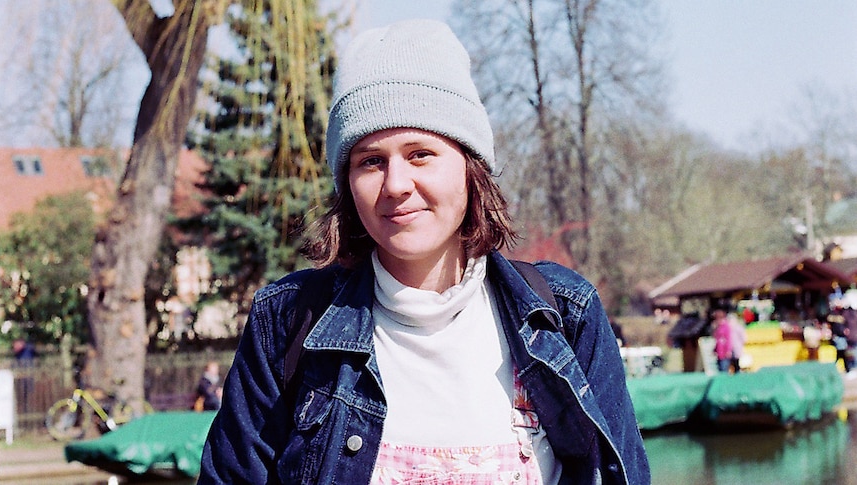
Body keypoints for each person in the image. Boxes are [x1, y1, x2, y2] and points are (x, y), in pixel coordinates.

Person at [199, 19, 649, 485]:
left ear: (470, 166)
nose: (395, 185)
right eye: (370, 161)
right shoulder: (287, 320)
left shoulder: (565, 316)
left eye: (420, 154)